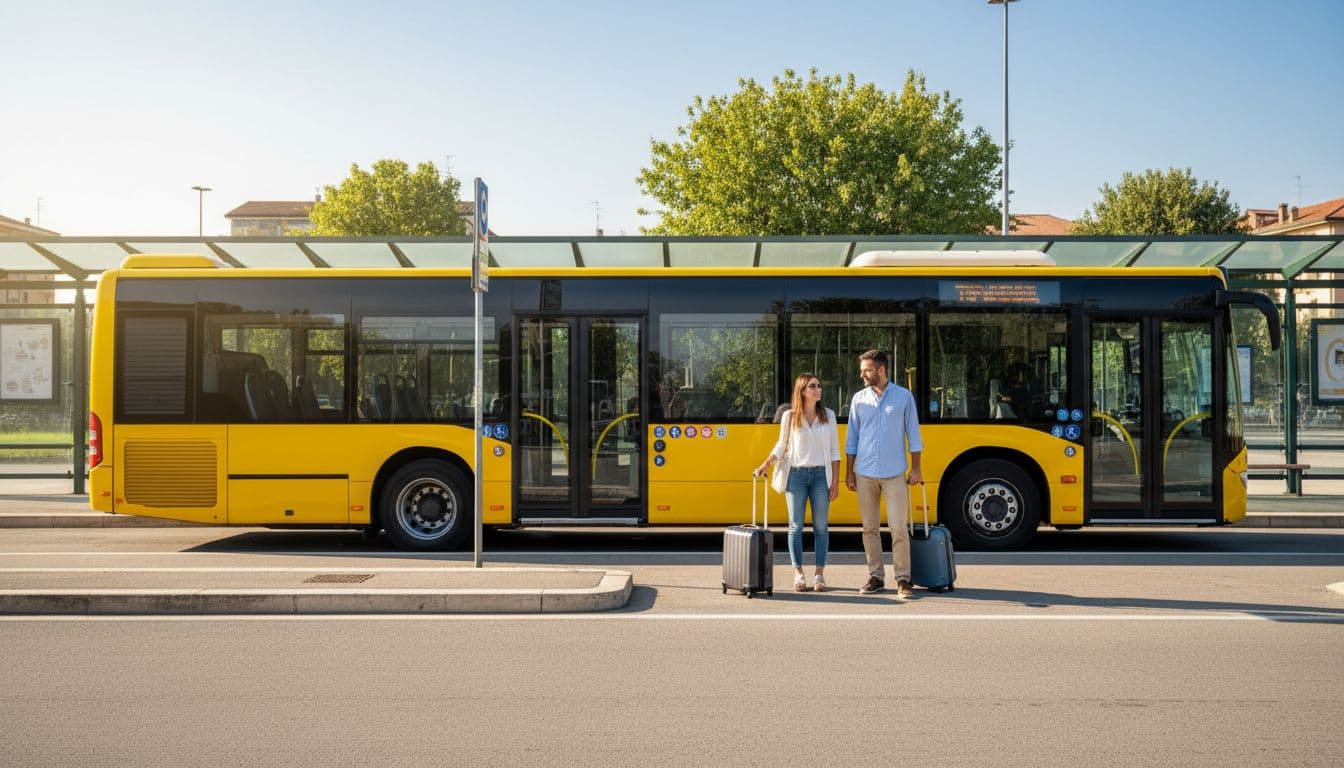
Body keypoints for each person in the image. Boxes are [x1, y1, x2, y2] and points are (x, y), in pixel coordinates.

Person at [845, 349, 923, 598]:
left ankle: (903, 579)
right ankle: (875, 576)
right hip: (865, 472)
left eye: (866, 370)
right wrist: (849, 472)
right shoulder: (859, 399)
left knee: (899, 527)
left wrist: (917, 467)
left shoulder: (903, 397)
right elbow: (852, 439)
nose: (862, 375)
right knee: (869, 529)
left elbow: (914, 434)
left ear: (881, 370)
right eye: (862, 370)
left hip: (894, 473)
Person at [754, 374, 841, 592]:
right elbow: (781, 446)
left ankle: (819, 574)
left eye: (819, 386)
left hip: (821, 476)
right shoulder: (789, 416)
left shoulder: (828, 415)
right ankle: (799, 573)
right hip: (796, 476)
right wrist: (766, 464)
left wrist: (836, 481)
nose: (817, 389)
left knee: (821, 527)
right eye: (812, 386)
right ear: (802, 390)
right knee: (796, 526)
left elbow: (834, 452)